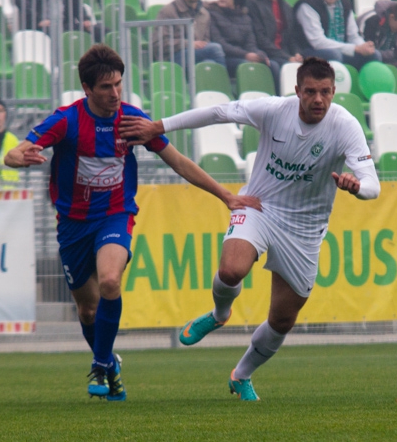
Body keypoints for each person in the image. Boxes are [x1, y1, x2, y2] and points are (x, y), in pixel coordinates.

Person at [3, 44, 260, 401]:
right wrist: (16, 157)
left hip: (115, 214)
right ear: (87, 88)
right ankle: (111, 366)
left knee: (110, 280)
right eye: (106, 87)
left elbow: (179, 161)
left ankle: (99, 362)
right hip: (73, 223)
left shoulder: (132, 121)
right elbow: (16, 150)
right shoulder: (67, 120)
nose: (114, 94)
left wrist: (226, 196)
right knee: (87, 307)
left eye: (119, 85)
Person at [118, 57, 379, 401]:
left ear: (334, 92)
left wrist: (356, 187)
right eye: (311, 92)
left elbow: (372, 185)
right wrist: (158, 127)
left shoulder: (344, 126)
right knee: (230, 270)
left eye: (326, 92)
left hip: (305, 228)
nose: (319, 100)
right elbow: (218, 113)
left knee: (282, 320)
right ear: (297, 91)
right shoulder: (273, 110)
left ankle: (241, 375)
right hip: (260, 207)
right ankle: (220, 314)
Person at [294, 0, 381, 70]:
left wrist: (364, 47)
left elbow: (353, 36)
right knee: (335, 55)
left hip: (339, 50)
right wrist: (355, 48)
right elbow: (318, 42)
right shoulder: (308, 5)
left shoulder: (345, 4)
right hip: (309, 51)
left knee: (374, 55)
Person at [247, 0, 305, 89]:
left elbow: (292, 37)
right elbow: (260, 38)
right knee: (279, 67)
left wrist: (296, 53)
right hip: (266, 53)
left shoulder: (286, 6)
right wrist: (287, 57)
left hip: (284, 53)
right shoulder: (253, 4)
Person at [154, 0, 227, 67]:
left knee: (209, 64)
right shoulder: (168, 11)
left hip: (197, 55)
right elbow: (158, 44)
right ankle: (223, 81)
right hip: (173, 57)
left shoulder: (204, 13)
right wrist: (188, 44)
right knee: (215, 48)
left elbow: (205, 41)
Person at [207, 0, 271, 77]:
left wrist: (260, 55)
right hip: (226, 57)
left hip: (244, 55)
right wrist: (245, 55)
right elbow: (220, 43)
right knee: (246, 66)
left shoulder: (246, 18)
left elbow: (250, 44)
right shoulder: (212, 15)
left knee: (272, 66)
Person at [362, 0, 397, 84]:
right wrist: (396, 54)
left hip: (387, 58)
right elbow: (369, 52)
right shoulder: (372, 22)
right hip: (368, 58)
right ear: (391, 17)